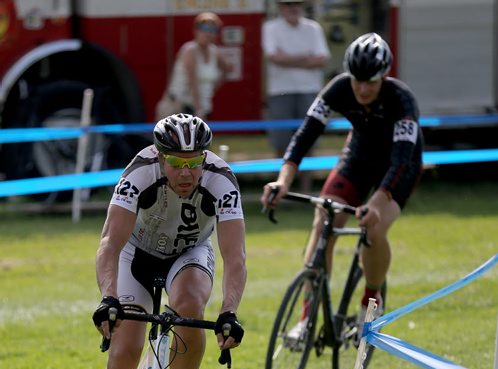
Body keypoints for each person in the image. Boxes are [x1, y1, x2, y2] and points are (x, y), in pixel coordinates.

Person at [83, 113, 246, 369]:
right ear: (160, 156)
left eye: (195, 162)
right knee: (125, 350)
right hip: (134, 256)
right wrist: (108, 298)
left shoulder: (222, 180)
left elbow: (235, 255)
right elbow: (109, 241)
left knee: (191, 308)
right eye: (177, 162)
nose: (186, 172)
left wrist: (229, 309)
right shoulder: (139, 172)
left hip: (189, 255)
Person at [261, 32, 423, 332]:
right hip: (359, 157)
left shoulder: (401, 101)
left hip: (400, 165)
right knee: (324, 216)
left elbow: (401, 161)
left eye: (370, 82)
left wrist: (375, 204)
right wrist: (283, 181)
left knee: (373, 225)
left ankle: (371, 299)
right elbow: (305, 135)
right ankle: (307, 316)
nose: (361, 88)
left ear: (384, 77)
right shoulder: (338, 88)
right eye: (356, 80)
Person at [262, 0, 330, 190]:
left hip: (309, 91)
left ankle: (305, 190)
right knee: (281, 143)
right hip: (279, 92)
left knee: (309, 143)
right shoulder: (270, 27)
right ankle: (281, 190)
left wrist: (287, 58)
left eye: (297, 3)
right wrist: (306, 57)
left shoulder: (313, 28)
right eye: (288, 4)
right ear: (281, 8)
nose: (293, 7)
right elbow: (274, 57)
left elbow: (322, 59)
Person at [155, 13, 229, 121]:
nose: (208, 33)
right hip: (177, 108)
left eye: (213, 29)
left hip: (202, 108)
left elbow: (227, 69)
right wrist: (198, 110)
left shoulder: (215, 52)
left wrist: (212, 88)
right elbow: (192, 82)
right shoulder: (189, 50)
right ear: (196, 30)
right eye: (205, 28)